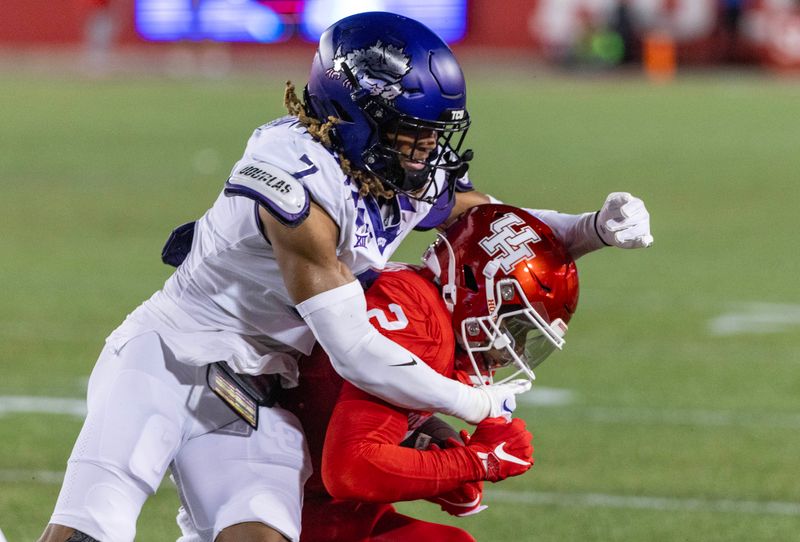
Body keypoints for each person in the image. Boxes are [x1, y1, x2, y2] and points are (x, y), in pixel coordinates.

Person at [39, 11, 653, 542]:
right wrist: (475, 404)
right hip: (172, 354)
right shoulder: (293, 178)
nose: (427, 152)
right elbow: (355, 348)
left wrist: (590, 228)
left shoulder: (389, 169)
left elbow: (487, 227)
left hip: (264, 387)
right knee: (95, 525)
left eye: (434, 135)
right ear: (355, 116)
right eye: (413, 133)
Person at [175, 204, 577, 542]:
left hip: (310, 492)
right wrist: (477, 462)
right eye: (513, 328)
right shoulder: (423, 329)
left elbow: (337, 400)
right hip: (282, 498)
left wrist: (432, 441)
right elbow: (352, 469)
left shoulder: (421, 305)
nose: (512, 350)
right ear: (473, 288)